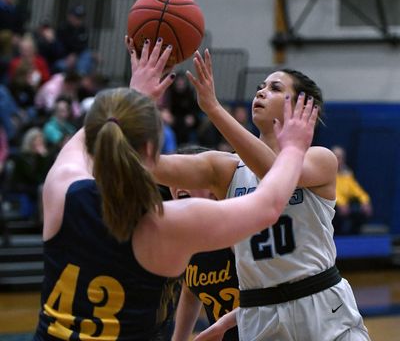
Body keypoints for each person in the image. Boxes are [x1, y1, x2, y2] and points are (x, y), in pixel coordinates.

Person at [33, 38, 317, 340]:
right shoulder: (171, 223)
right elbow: (270, 205)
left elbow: (91, 136)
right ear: (154, 150)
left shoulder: (60, 188)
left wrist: (134, 93)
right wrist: (294, 150)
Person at [132, 44, 370, 340]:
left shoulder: (320, 159)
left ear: (300, 107)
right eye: (260, 87)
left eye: (274, 88)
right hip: (259, 312)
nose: (261, 92)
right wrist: (137, 101)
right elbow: (146, 164)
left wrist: (214, 109)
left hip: (321, 304)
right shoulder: (227, 169)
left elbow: (276, 171)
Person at [170, 146, 239, 341]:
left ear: (213, 188)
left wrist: (226, 323)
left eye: (186, 177)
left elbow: (272, 296)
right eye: (172, 177)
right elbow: (190, 291)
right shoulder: (186, 236)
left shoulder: (237, 229)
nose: (177, 184)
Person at [331, 145, 373, 235]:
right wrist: (341, 203)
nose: (339, 160)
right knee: (337, 211)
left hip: (345, 205)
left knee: (361, 211)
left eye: (341, 158)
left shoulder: (347, 174)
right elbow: (332, 191)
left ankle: (353, 239)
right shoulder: (327, 173)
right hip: (333, 205)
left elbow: (357, 190)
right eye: (337, 157)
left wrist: (365, 201)